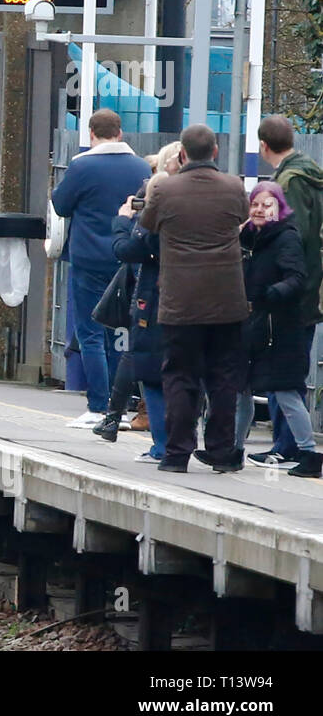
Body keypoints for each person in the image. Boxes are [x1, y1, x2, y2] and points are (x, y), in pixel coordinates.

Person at [139, 124, 249, 473]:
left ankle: (176, 454)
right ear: (215, 151)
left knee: (180, 376)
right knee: (224, 376)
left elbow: (148, 224)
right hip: (226, 299)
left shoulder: (167, 191)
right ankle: (220, 451)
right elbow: (243, 218)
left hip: (180, 301)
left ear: (183, 154)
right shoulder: (234, 187)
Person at [51, 109, 152, 427]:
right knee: (116, 331)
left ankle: (98, 405)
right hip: (126, 259)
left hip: (87, 259)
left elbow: (61, 205)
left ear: (92, 134)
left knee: (90, 332)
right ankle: (117, 405)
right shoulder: (140, 167)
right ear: (120, 133)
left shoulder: (82, 166)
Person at [231, 182, 321, 477]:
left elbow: (297, 278)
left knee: (285, 391)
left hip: (279, 327)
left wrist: (269, 294)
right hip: (252, 323)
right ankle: (233, 449)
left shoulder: (286, 238)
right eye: (255, 203)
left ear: (279, 208)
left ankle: (309, 454)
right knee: (240, 388)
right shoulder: (247, 238)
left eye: (267, 204)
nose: (259, 209)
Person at [256, 115, 323, 461]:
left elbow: (293, 237)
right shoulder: (309, 172)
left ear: (263, 146)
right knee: (291, 369)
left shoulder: (290, 181)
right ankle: (286, 445)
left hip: (293, 291)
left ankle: (287, 447)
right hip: (308, 287)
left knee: (285, 371)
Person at [99, 167, 170, 461]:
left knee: (150, 373)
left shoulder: (151, 226)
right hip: (194, 303)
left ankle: (162, 445)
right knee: (183, 376)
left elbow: (126, 250)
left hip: (154, 301)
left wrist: (123, 221)